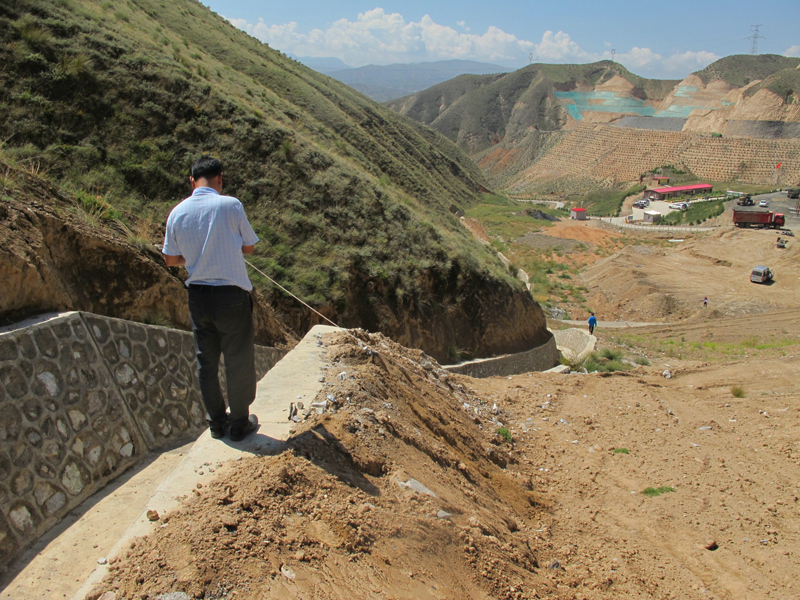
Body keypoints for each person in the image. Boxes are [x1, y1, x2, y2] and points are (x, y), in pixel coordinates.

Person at [163, 156, 260, 442]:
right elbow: (249, 247)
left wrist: (195, 258)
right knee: (238, 360)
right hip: (231, 296)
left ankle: (217, 423)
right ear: (220, 178)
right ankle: (239, 423)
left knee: (206, 362)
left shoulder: (177, 212)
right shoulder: (230, 205)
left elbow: (170, 260)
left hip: (198, 298)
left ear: (192, 181)